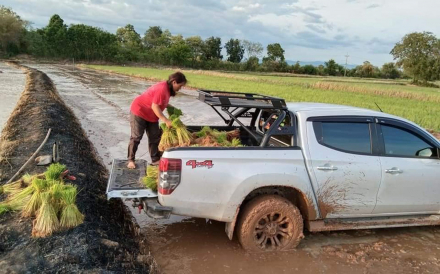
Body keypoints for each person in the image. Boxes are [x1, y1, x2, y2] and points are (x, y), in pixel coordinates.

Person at [127, 72, 187, 169]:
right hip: (140, 112)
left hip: (152, 115)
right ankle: (131, 160)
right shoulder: (162, 88)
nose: (180, 88)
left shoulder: (168, 89)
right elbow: (155, 106)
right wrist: (166, 121)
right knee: (136, 137)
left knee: (154, 137)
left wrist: (172, 108)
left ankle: (155, 160)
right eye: (180, 86)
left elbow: (162, 102)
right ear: (174, 82)